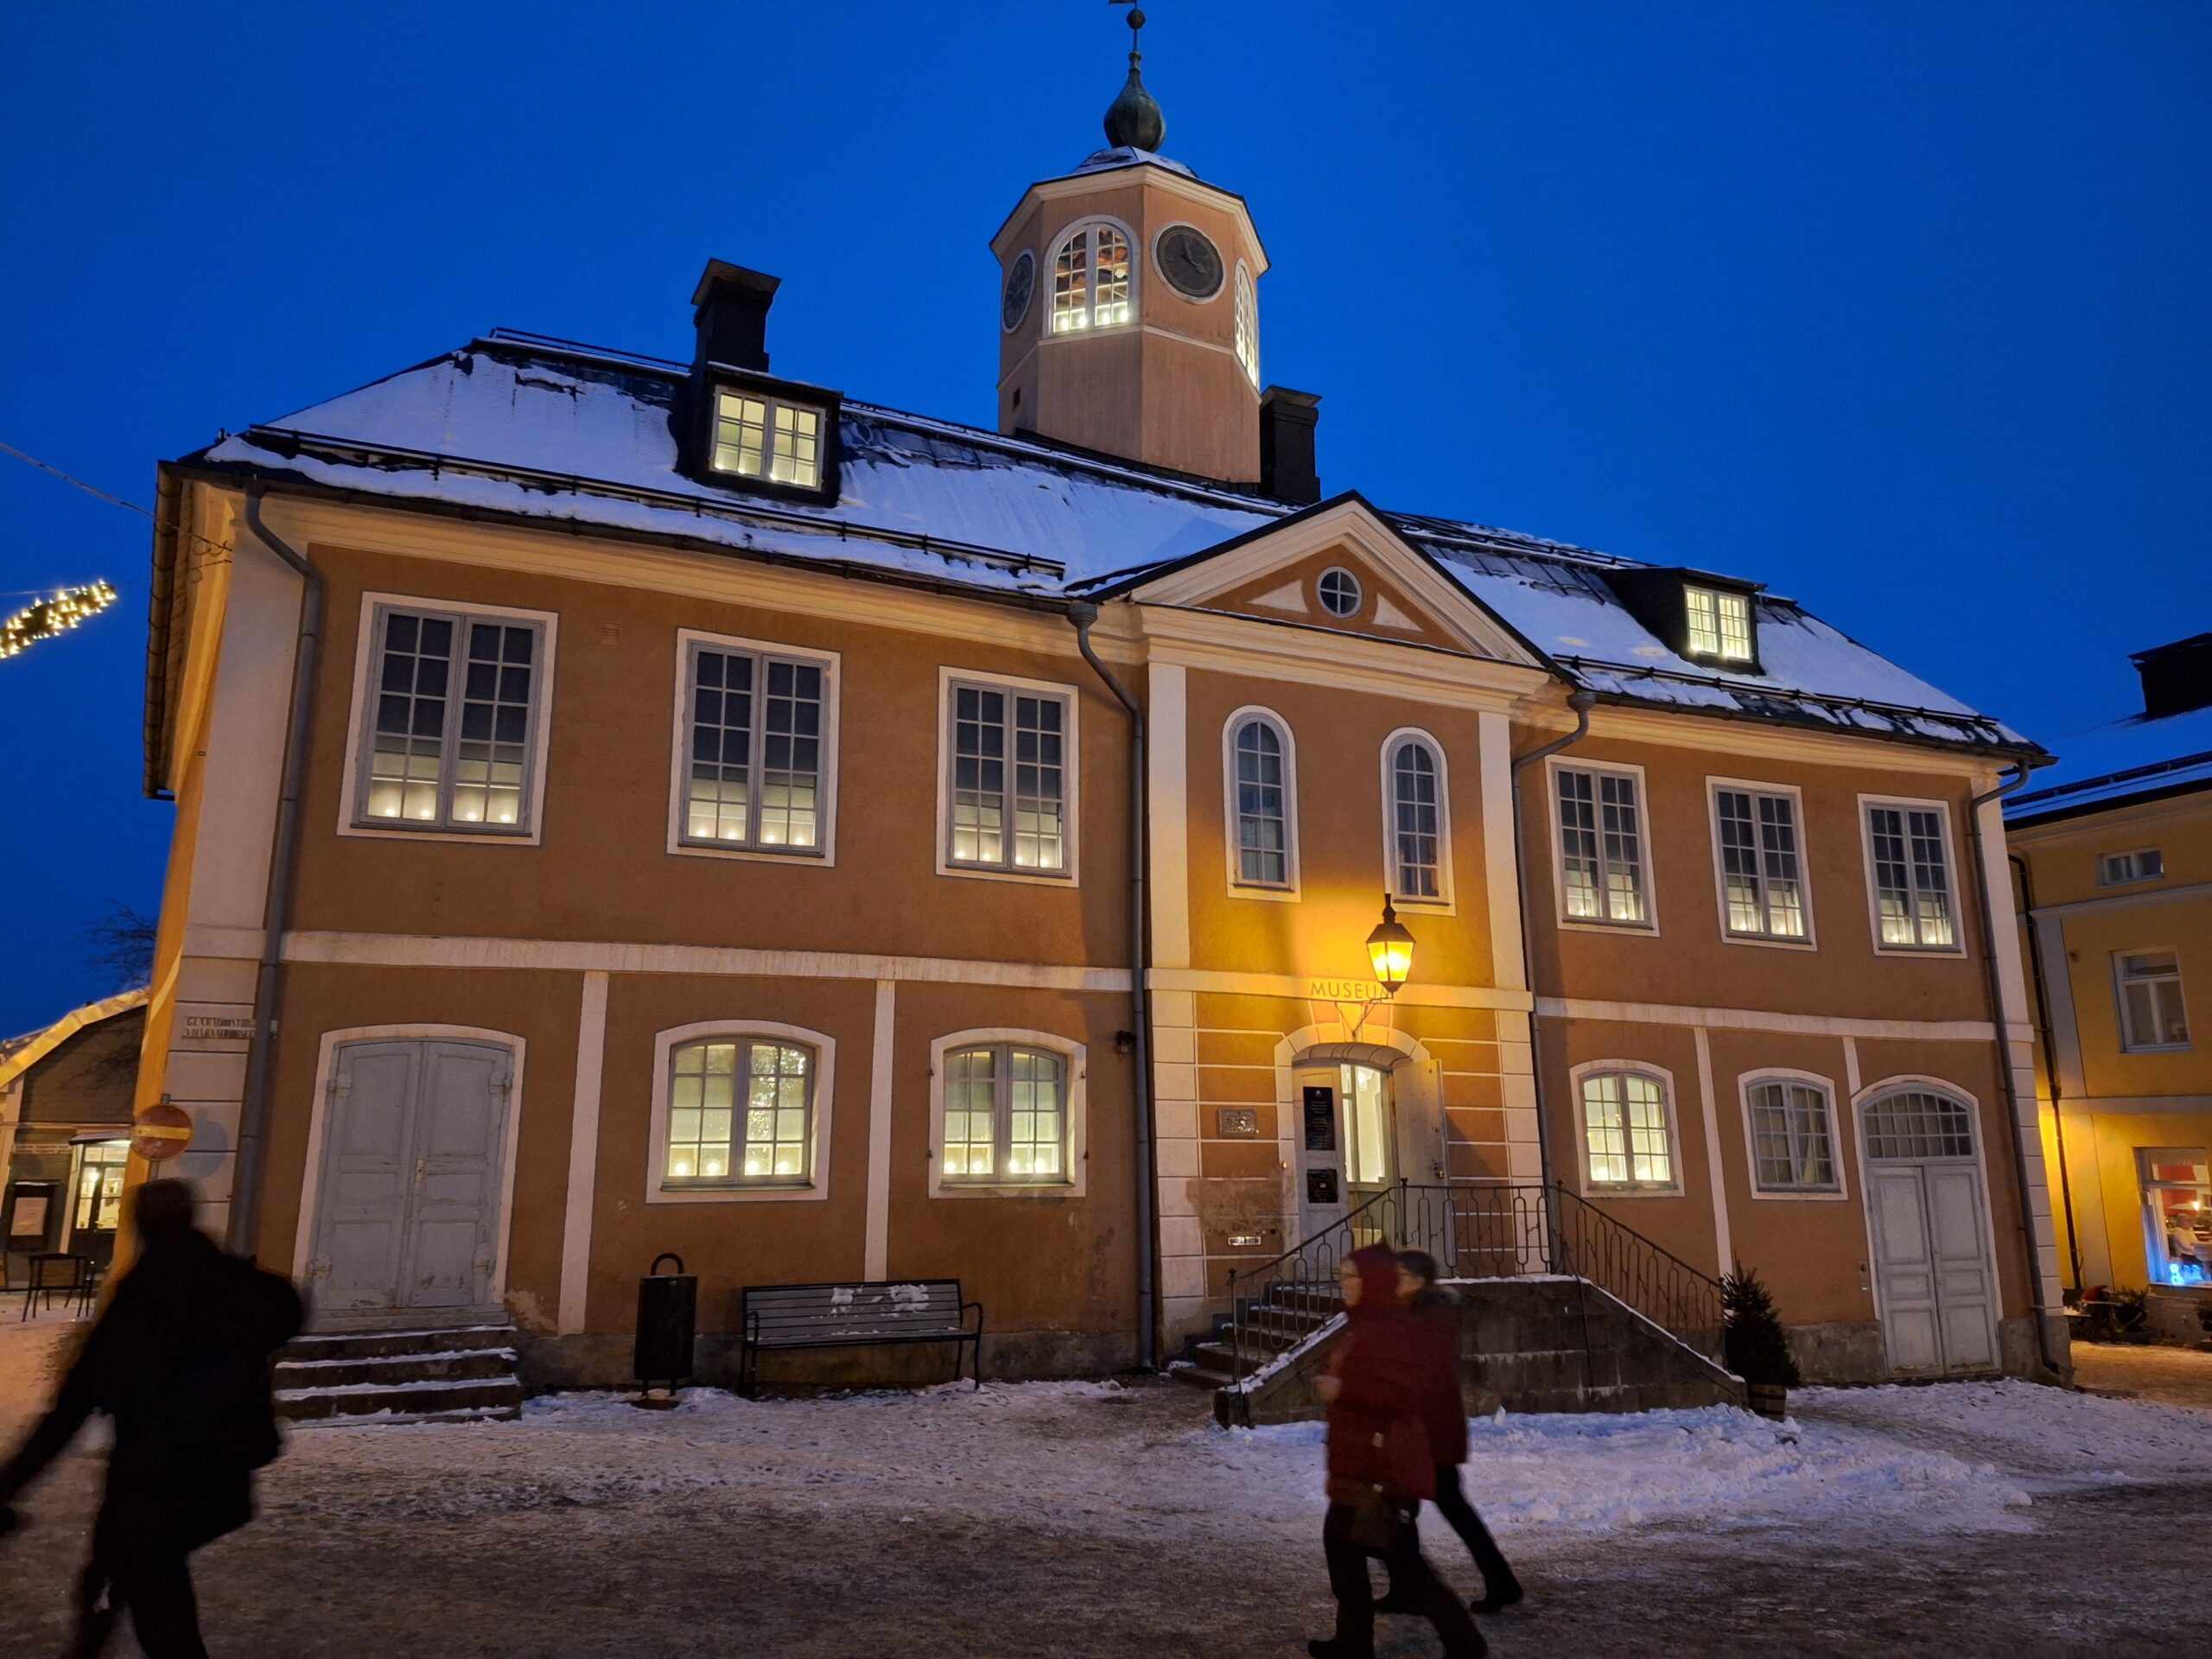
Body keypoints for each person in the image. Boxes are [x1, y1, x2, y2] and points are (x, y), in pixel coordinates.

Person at [0, 1179, 304, 1658]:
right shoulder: (234, 1284)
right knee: (124, 1572)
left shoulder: (141, 1301)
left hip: (155, 1479)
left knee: (145, 1585)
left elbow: (72, 1407)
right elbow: (288, 1311)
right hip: (221, 1478)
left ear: (139, 1225)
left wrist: (11, 1484)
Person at [1307, 1242, 1485, 1659]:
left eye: (1352, 1276)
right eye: (1342, 1276)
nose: (1344, 1284)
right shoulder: (1368, 1324)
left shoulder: (1389, 1329)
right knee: (1347, 1555)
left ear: (1372, 1282)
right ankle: (1354, 1643)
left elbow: (1400, 1395)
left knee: (1402, 1562)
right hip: (1358, 1462)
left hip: (1379, 1467)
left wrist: (1342, 1390)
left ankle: (1464, 1642)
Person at [1378, 1249, 1524, 1617]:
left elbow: (1420, 1374)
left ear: (1416, 1279)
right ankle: (1493, 1582)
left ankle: (1489, 1585)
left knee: (1415, 1510)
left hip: (1425, 1432)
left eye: (1397, 1274)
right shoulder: (1418, 1313)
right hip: (1425, 1430)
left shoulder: (1427, 1317)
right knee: (1404, 1510)